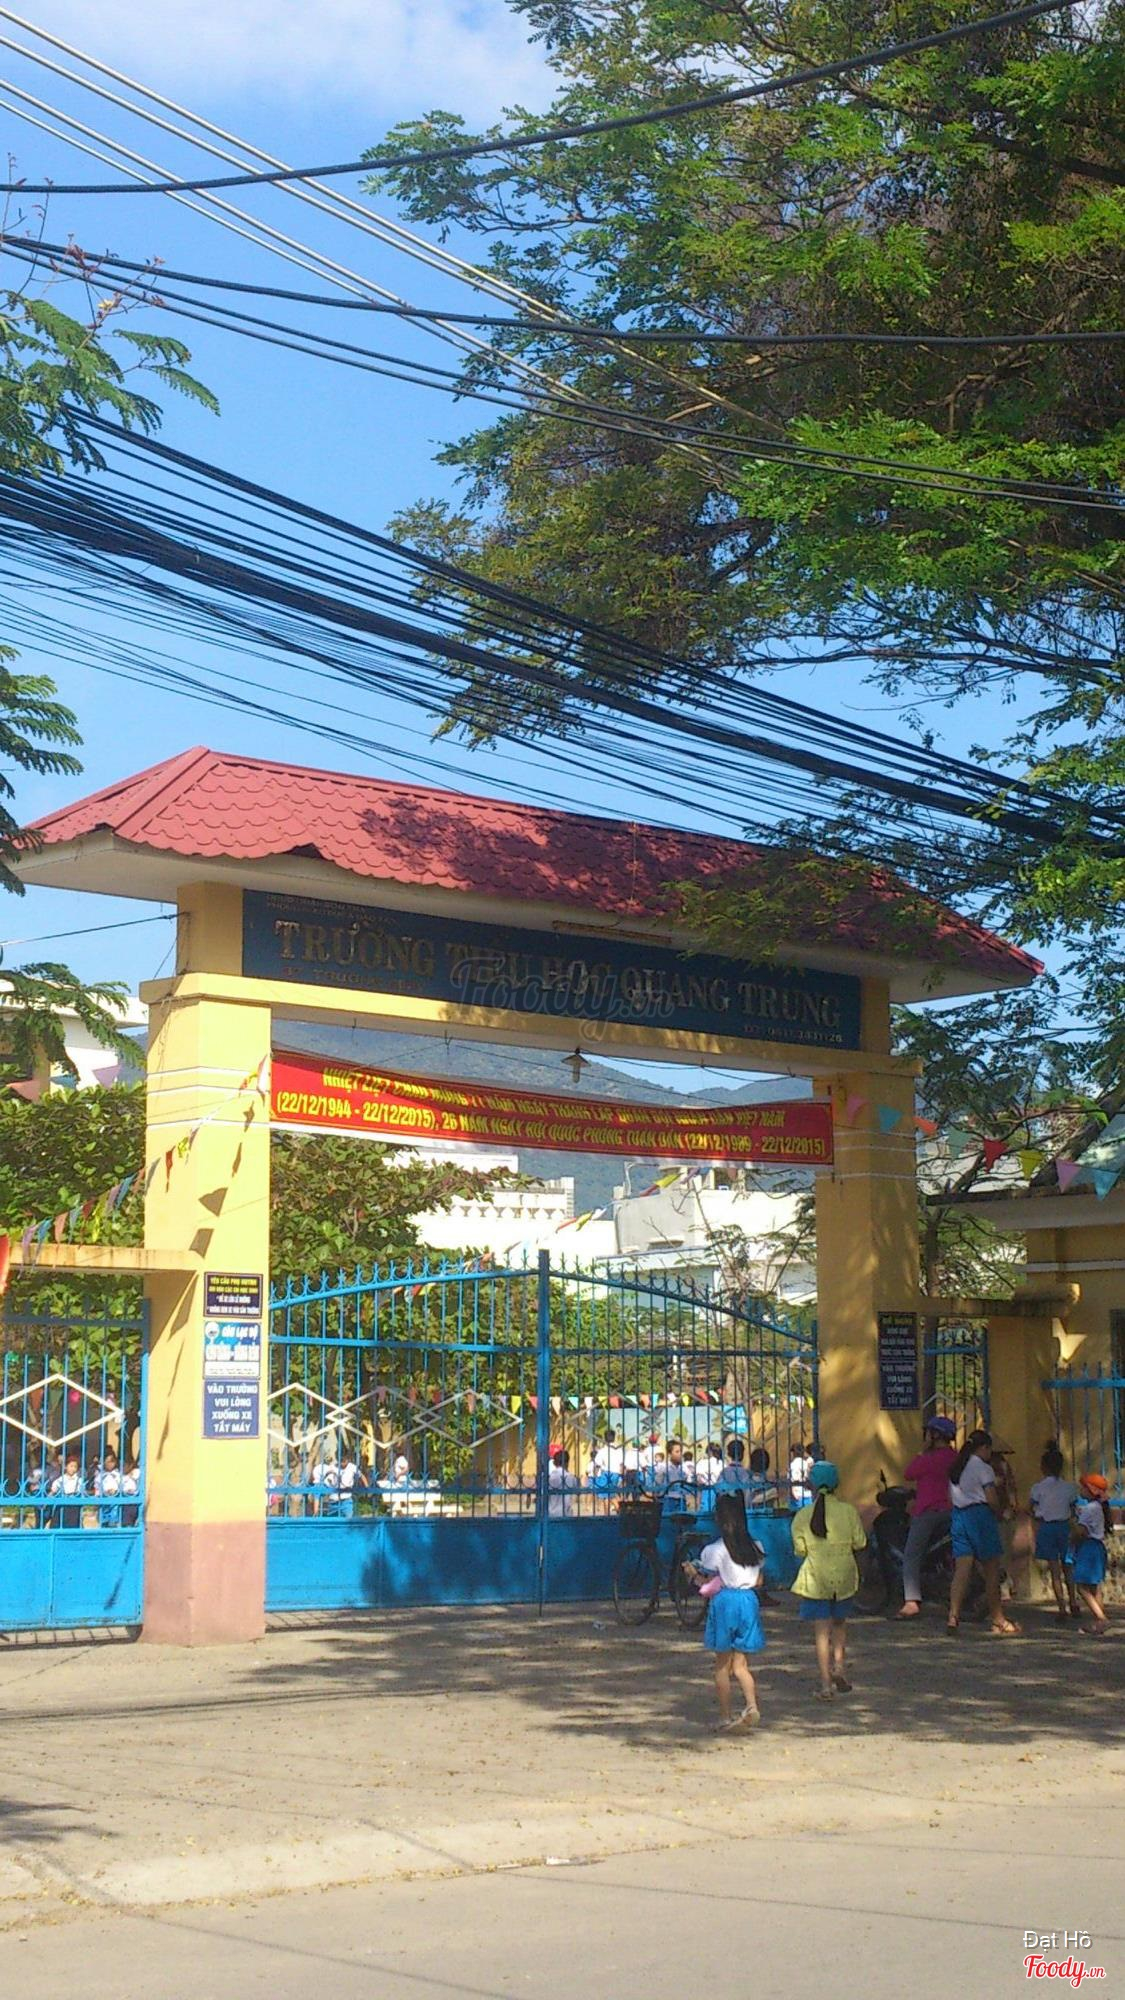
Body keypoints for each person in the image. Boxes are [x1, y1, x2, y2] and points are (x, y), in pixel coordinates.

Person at [683, 1491, 766, 1732]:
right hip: (749, 1601)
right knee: (741, 1666)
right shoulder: (755, 1547)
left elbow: (708, 1582)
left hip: (725, 1602)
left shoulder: (715, 1549)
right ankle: (751, 1706)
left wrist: (692, 1575)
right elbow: (759, 1580)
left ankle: (725, 1716)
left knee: (721, 1665)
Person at [791, 1461, 867, 1700]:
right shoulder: (849, 1511)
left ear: (811, 1485)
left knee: (821, 1633)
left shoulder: (803, 1515)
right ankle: (839, 1667)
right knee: (840, 1624)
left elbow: (800, 1550)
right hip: (844, 1576)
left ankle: (825, 1685)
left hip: (816, 1578)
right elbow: (860, 1542)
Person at [947, 1428, 1020, 1637]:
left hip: (959, 1516)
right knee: (991, 1571)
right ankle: (998, 1619)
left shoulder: (956, 1467)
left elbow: (950, 1497)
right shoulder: (983, 1468)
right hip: (980, 1517)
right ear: (984, 1448)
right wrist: (999, 1513)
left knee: (962, 1570)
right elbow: (991, 1498)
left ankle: (953, 1616)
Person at [897, 1416, 958, 1619]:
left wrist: (922, 1452)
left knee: (911, 1555)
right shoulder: (955, 1457)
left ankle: (911, 1601)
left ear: (935, 1436)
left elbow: (909, 1473)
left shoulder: (928, 1459)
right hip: (951, 1510)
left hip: (928, 1512)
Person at [1028, 1441, 1079, 1622]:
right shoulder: (1069, 1488)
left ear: (1043, 1467)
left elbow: (1032, 1509)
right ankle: (1074, 1602)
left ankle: (1061, 1607)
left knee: (1054, 1570)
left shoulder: (1037, 1488)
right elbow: (1073, 1510)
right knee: (1068, 1568)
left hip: (1047, 1528)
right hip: (1064, 1527)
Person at [1068, 1472, 1112, 1637]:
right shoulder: (1098, 1508)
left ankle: (1101, 1618)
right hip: (1097, 1547)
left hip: (1088, 1548)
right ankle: (1098, 1619)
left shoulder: (1089, 1509)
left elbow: (1082, 1531)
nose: (1081, 1490)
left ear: (1090, 1490)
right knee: (1094, 1586)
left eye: (1083, 1487)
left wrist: (1072, 1524)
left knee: (1081, 1586)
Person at [50, 1454, 85, 1529]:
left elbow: (82, 1493)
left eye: (75, 1467)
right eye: (71, 1466)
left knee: (74, 1527)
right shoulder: (60, 1479)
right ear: (66, 1467)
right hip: (62, 1506)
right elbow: (53, 1490)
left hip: (74, 1506)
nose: (73, 1469)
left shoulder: (79, 1480)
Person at [93, 1448, 123, 1529]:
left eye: (112, 1461)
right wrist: (98, 1496)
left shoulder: (117, 1474)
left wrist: (116, 1491)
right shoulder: (100, 1475)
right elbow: (97, 1486)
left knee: (114, 1516)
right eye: (108, 1461)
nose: (110, 1464)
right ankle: (104, 1526)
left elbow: (121, 1485)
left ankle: (113, 1527)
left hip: (115, 1499)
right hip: (103, 1499)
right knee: (103, 1517)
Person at [547, 1447, 580, 1518]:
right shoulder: (571, 1477)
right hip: (566, 1514)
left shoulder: (549, 1478)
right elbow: (578, 1490)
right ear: (567, 1463)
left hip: (550, 1515)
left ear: (554, 1463)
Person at [789, 1442, 814, 1507]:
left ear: (793, 1453)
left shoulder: (793, 1464)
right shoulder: (806, 1463)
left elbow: (793, 1480)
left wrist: (793, 1492)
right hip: (807, 1493)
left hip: (798, 1494)